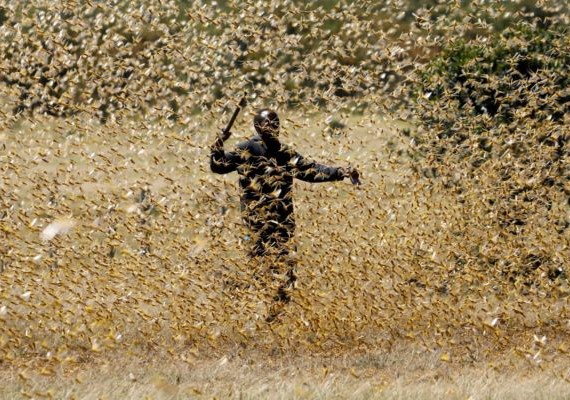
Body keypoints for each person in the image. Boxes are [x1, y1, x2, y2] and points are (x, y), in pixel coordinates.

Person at [210, 109, 360, 307]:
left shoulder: (284, 153)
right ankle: (257, 307)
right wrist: (218, 146)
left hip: (283, 223)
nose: (273, 127)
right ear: (257, 127)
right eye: (268, 124)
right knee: (262, 269)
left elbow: (311, 170)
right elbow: (219, 166)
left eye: (276, 123)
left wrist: (341, 172)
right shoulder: (246, 149)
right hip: (257, 224)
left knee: (287, 273)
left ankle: (280, 311)